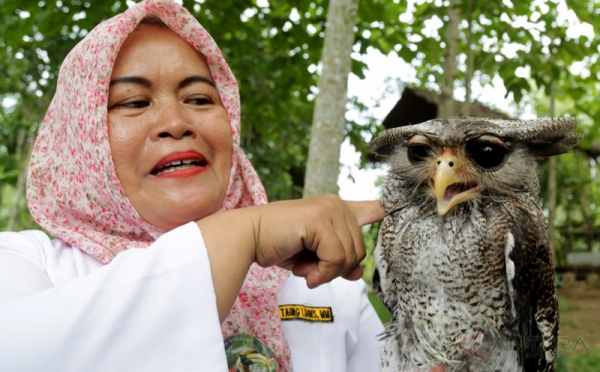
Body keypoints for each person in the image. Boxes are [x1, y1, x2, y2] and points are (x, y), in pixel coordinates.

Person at [0, 1, 386, 371]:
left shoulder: (326, 288)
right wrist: (247, 231)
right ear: (82, 135)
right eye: (133, 102)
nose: (176, 121)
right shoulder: (24, 263)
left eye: (200, 98)